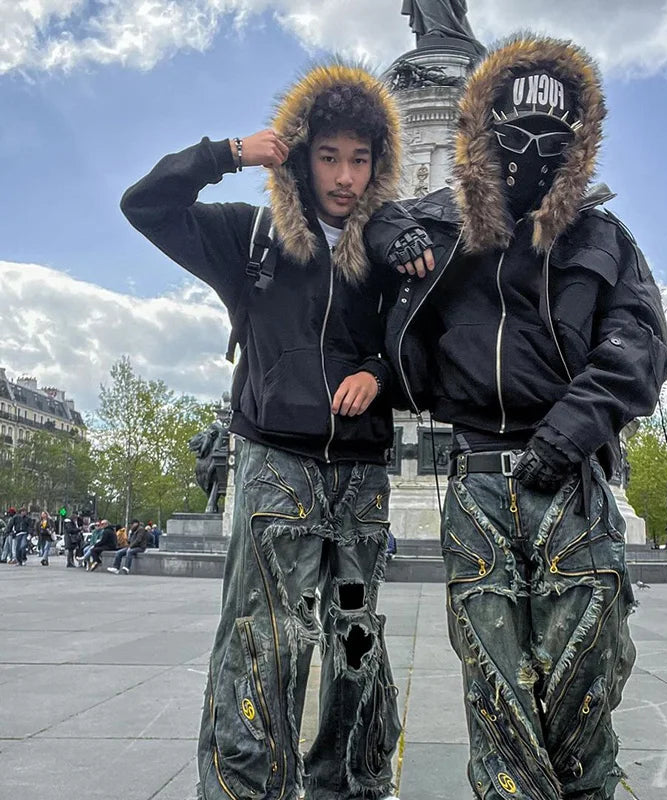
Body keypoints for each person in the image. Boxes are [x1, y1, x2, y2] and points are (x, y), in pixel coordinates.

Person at [368, 33, 667, 800]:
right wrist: (385, 229)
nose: (532, 152)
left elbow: (640, 346)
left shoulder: (602, 238)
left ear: (577, 142)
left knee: (585, 688)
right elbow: (359, 231)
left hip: (569, 483)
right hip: (476, 483)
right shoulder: (444, 227)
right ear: (484, 132)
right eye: (514, 133)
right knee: (495, 692)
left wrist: (570, 431)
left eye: (552, 136)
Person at [121, 63, 403, 800]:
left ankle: (348, 784)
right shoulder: (250, 236)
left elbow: (421, 348)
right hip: (275, 466)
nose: (345, 177)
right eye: (329, 156)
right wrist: (228, 154)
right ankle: (247, 790)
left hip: (363, 475)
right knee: (263, 642)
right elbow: (144, 205)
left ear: (377, 164)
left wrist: (378, 372)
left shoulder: (391, 252)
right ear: (302, 157)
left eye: (360, 159)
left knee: (355, 640)